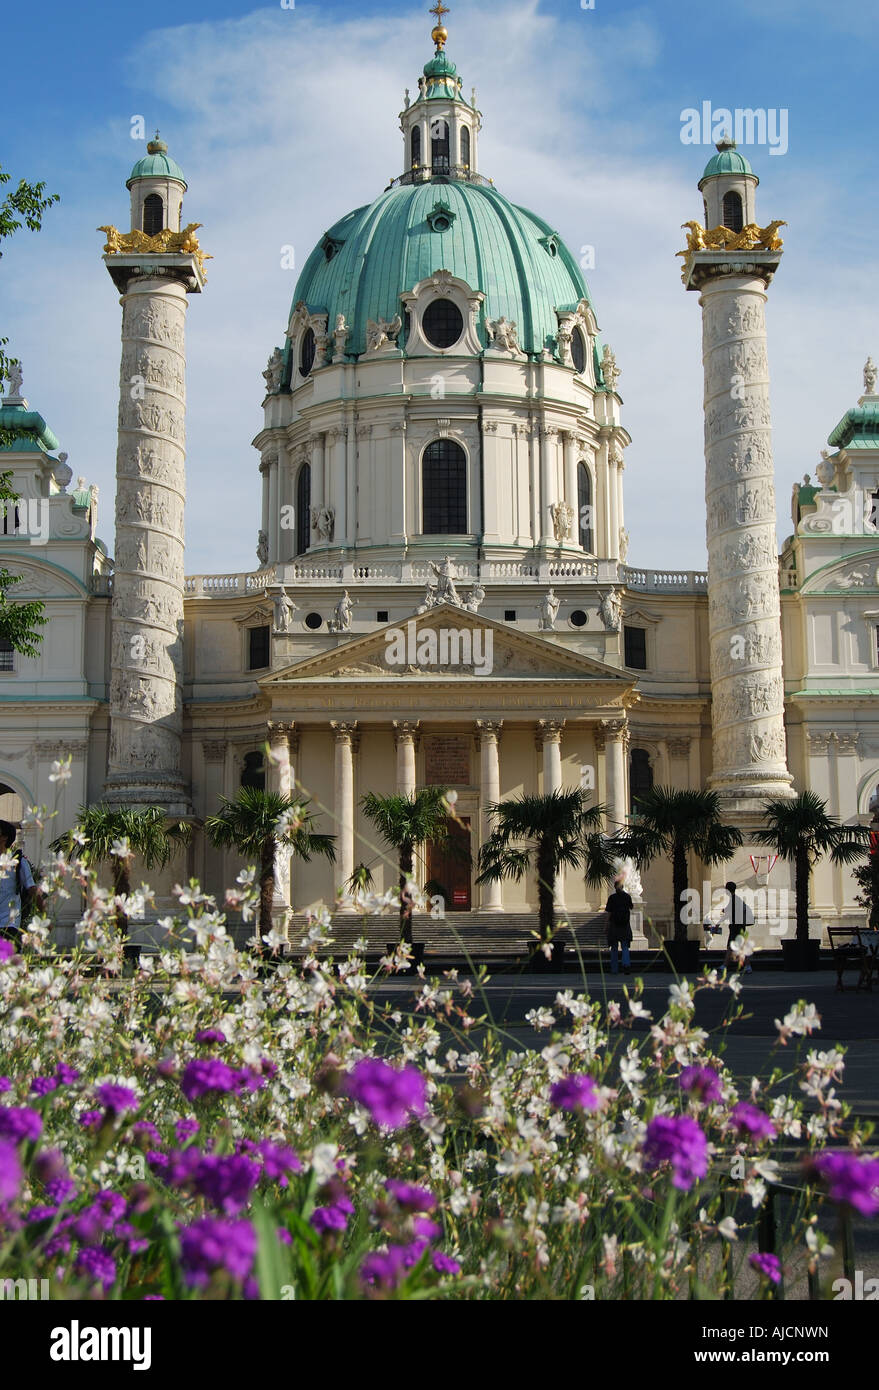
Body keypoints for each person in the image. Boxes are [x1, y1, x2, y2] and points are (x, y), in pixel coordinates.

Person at [0, 819, 36, 947]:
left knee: (6, 963)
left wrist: (43, 913)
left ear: (4, 837)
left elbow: (31, 888)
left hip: (9, 924)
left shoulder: (18, 861)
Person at [721, 881, 754, 973]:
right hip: (739, 927)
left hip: (736, 928)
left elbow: (728, 913)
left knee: (732, 947)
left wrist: (718, 923)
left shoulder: (734, 900)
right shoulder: (736, 899)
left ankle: (725, 966)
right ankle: (746, 966)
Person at [605, 876, 634, 975]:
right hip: (625, 925)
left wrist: (606, 925)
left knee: (614, 947)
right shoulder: (627, 897)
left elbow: (609, 912)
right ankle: (626, 965)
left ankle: (614, 969)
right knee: (625, 947)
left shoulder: (612, 898)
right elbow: (631, 907)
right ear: (622, 886)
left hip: (614, 924)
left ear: (615, 887)